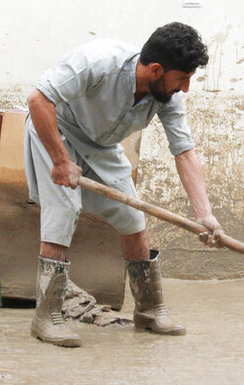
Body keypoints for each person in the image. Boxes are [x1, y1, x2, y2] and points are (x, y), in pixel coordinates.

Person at [25, 22, 224, 347]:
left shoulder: (167, 96)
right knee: (63, 211)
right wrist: (61, 160)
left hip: (101, 146)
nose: (185, 88)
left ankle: (149, 310)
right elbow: (38, 98)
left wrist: (205, 214)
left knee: (132, 218)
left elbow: (184, 152)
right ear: (156, 69)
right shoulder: (99, 60)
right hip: (57, 128)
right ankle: (47, 317)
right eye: (182, 78)